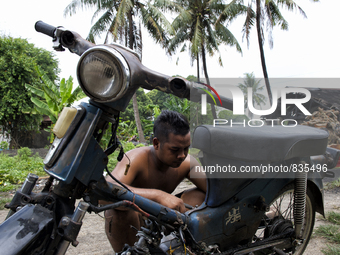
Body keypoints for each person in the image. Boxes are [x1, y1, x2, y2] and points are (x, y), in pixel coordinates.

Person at [104, 110, 207, 252]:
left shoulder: (187, 163)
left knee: (201, 196)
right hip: (135, 221)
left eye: (186, 148)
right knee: (118, 209)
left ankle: (184, 248)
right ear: (156, 143)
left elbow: (215, 191)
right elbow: (106, 191)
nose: (182, 155)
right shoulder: (135, 159)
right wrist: (158, 196)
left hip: (163, 222)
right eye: (175, 149)